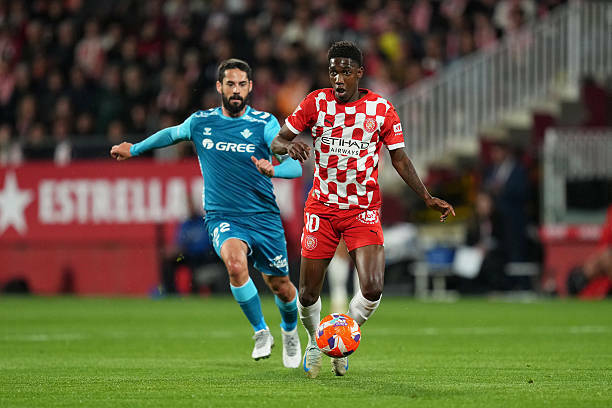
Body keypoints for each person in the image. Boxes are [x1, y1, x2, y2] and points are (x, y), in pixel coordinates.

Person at [270, 41, 455, 378]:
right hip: (322, 208)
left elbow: (399, 158)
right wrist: (288, 146)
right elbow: (277, 141)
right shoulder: (315, 102)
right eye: (333, 72)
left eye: (345, 72)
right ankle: (315, 341)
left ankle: (341, 335)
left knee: (372, 288)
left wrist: (427, 197)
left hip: (362, 209)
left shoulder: (381, 109)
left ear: (359, 73)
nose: (338, 78)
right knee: (308, 293)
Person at [110, 58, 303, 368]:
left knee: (281, 286)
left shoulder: (264, 124)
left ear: (250, 87)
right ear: (219, 87)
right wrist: (134, 149)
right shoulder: (201, 122)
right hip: (222, 216)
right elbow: (170, 134)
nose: (236, 90)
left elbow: (294, 166)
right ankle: (260, 331)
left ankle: (290, 331)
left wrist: (274, 169)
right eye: (230, 84)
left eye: (242, 84)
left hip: (263, 217)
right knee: (235, 265)